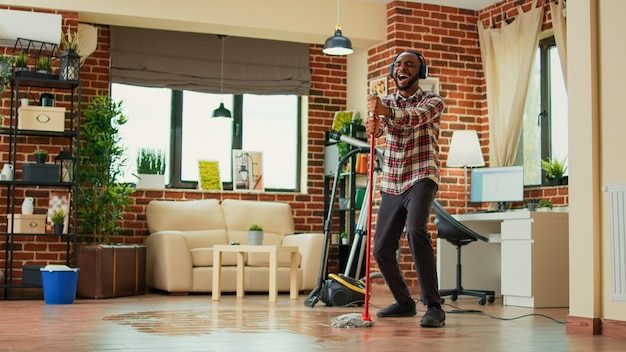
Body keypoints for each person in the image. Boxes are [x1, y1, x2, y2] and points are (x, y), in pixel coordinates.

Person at [366, 50, 446, 327]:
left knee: (415, 230)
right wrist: (373, 126)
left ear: (420, 72)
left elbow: (411, 118)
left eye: (410, 65)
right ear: (392, 71)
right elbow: (381, 131)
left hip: (421, 175)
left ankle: (434, 305)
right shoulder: (385, 101)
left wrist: (385, 113)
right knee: (381, 249)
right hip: (391, 179)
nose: (403, 68)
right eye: (398, 64)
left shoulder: (433, 101)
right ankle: (404, 302)